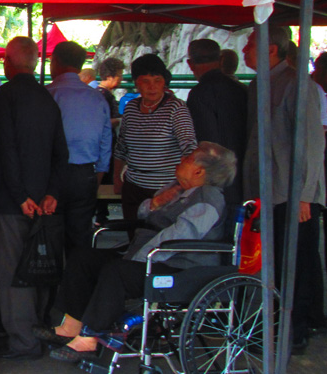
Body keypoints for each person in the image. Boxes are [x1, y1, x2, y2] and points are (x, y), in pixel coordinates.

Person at [36, 142, 233, 361]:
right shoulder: (178, 189)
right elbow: (142, 214)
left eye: (188, 159)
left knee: (117, 271)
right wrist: (156, 202)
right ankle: (71, 326)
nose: (181, 160)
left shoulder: (208, 199)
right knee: (84, 258)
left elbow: (177, 237)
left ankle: (90, 338)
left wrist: (139, 259)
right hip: (153, 256)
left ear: (199, 171)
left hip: (180, 268)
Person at [243, 24, 325, 354]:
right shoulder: (257, 85)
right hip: (265, 191)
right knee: (272, 261)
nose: (245, 51)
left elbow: (312, 144)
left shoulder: (296, 84)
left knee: (296, 263)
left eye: (250, 45)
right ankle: (274, 325)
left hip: (292, 192)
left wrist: (305, 195)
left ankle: (296, 330)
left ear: (271, 49)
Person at [0, 36, 69, 362]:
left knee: (12, 273)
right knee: (39, 267)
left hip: (12, 200)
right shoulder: (47, 97)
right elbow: (61, 152)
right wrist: (52, 193)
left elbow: (6, 149)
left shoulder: (5, 96)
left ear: (7, 61)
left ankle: (23, 341)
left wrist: (20, 195)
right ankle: (39, 330)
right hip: (44, 200)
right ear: (36, 63)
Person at [113, 54, 197, 221]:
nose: (152, 87)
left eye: (157, 80)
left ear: (164, 82)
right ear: (136, 83)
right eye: (145, 81)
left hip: (166, 188)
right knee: (134, 231)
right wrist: (117, 179)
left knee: (159, 234)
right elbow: (121, 147)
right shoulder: (131, 108)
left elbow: (189, 147)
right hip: (133, 186)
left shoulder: (176, 108)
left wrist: (181, 185)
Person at [47, 41, 111, 251]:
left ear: (54, 61)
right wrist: (97, 176)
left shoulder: (47, 94)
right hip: (85, 174)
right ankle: (78, 271)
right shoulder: (97, 98)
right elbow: (106, 142)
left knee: (49, 236)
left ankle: (53, 272)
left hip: (50, 176)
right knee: (80, 237)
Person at [185, 38, 248, 206]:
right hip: (245, 168)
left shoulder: (198, 94)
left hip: (216, 175)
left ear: (190, 64)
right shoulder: (241, 89)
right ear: (221, 60)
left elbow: (205, 140)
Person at [95, 57, 125, 224]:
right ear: (111, 76)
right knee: (105, 176)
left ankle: (101, 214)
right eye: (119, 75)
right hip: (105, 144)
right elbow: (103, 122)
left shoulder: (101, 94)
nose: (121, 79)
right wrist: (120, 120)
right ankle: (101, 214)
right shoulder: (103, 96)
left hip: (104, 144)